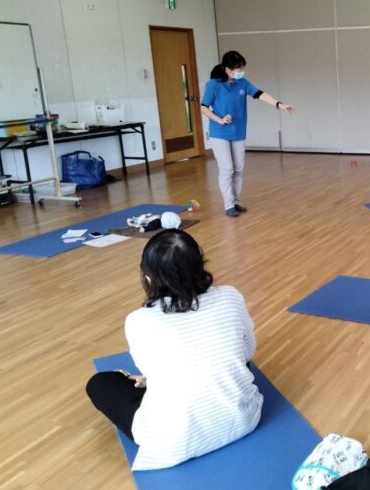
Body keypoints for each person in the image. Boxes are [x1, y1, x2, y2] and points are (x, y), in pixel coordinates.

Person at [85, 230, 263, 471]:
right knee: (236, 360)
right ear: (199, 265)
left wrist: (153, 379)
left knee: (99, 383)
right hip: (245, 419)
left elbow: (150, 369)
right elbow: (248, 352)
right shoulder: (231, 296)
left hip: (173, 442)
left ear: (149, 276)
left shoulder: (138, 320)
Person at [200, 50, 294, 217]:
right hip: (219, 132)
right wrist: (219, 119)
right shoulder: (213, 85)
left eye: (242, 68)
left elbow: (260, 94)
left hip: (238, 132)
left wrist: (280, 105)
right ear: (227, 69)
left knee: (238, 169)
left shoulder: (242, 83)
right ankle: (228, 205)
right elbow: (203, 107)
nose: (241, 71)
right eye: (238, 68)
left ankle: (235, 202)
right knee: (227, 169)